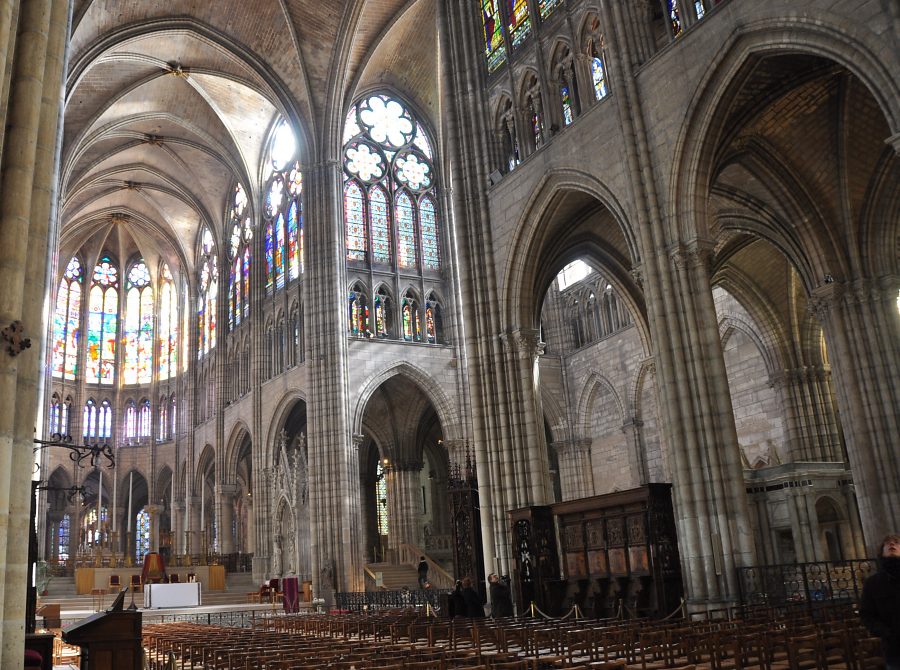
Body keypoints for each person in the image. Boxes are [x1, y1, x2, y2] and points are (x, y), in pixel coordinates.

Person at [861, 534, 900, 670]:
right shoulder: (873, 583)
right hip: (895, 648)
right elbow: (867, 615)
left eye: (896, 542)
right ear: (881, 552)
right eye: (887, 543)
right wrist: (886, 633)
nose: (892, 544)